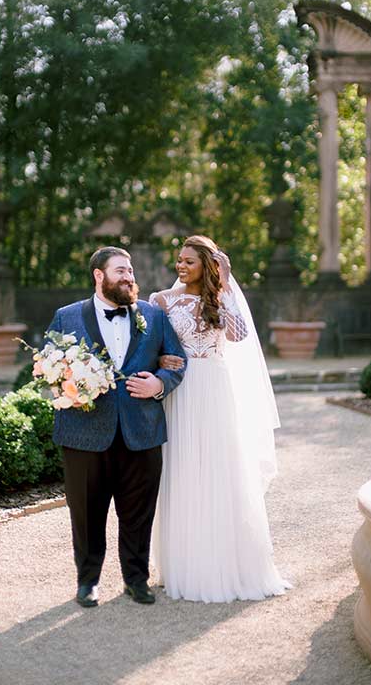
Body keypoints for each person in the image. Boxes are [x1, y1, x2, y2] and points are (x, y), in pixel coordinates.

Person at [150, 235, 290, 603]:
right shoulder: (161, 300)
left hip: (214, 388)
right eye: (179, 260)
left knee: (217, 469)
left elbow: (240, 335)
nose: (181, 266)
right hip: (179, 388)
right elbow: (152, 346)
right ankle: (182, 562)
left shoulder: (218, 298)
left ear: (207, 267)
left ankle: (222, 562)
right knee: (180, 469)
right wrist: (161, 360)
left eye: (189, 261)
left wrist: (225, 285)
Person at [46, 246, 187, 608]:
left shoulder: (153, 317)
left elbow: (176, 361)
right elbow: (47, 366)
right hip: (84, 433)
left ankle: (136, 579)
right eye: (120, 271)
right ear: (99, 275)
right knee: (87, 512)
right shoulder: (67, 317)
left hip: (142, 430)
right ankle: (88, 582)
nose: (129, 277)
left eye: (131, 271)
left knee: (139, 512)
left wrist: (160, 385)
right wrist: (70, 386)